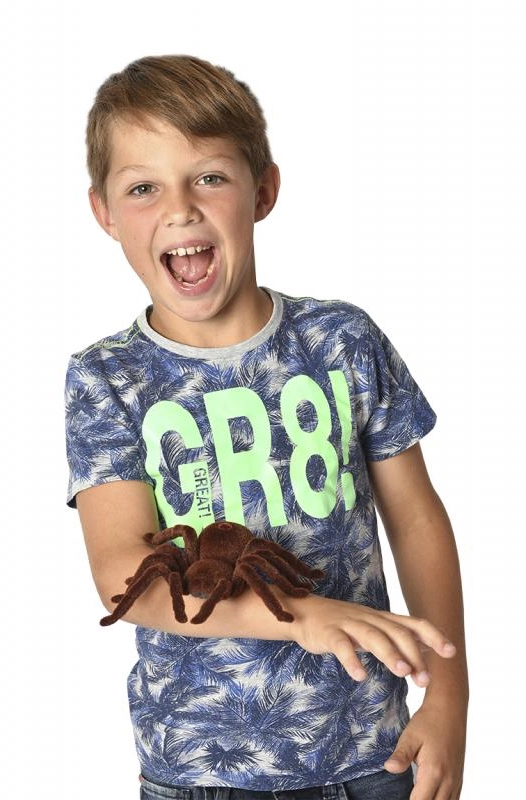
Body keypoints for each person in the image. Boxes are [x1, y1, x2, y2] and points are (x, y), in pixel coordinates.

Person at [64, 55, 468, 800]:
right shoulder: (107, 378)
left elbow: (415, 519)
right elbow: (123, 574)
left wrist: (449, 696)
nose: (180, 209)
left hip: (370, 755)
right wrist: (298, 616)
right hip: (197, 771)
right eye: (144, 187)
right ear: (105, 212)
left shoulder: (341, 341)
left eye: (209, 177)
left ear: (263, 191)